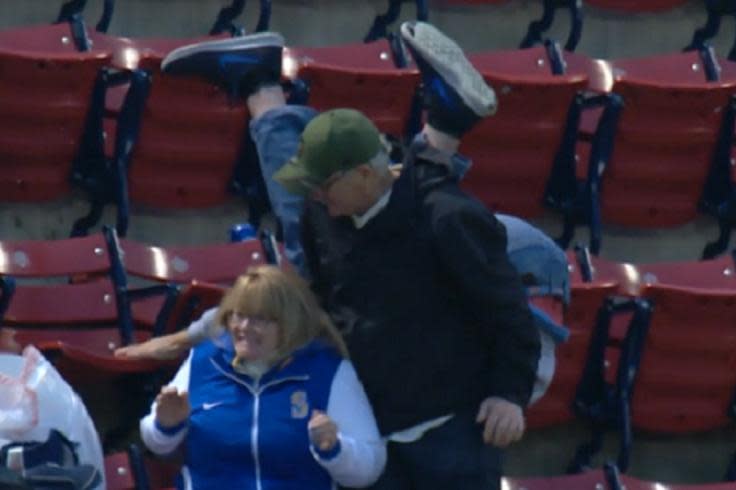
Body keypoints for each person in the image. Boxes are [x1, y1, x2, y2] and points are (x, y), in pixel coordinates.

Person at [120, 21, 540, 489]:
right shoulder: (325, 213)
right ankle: (442, 118)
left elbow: (507, 310)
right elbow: (313, 292)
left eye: (325, 185)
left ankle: (432, 116)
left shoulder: (449, 219)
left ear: (362, 173)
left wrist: (509, 393)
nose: (315, 197)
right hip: (377, 423)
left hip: (447, 432)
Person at [139, 265, 386, 489]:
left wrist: (336, 450)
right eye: (237, 315)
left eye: (259, 319)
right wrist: (166, 425)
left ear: (289, 324)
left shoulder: (327, 371)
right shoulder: (204, 361)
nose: (244, 327)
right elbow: (156, 441)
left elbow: (369, 469)